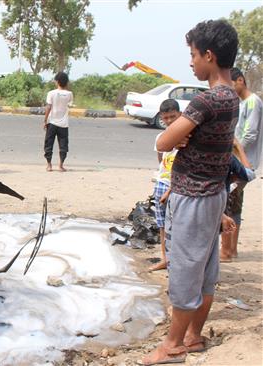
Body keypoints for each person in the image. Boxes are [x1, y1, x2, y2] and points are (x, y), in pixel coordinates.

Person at [143, 19, 240, 366]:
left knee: (185, 270)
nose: (191, 62)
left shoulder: (207, 101)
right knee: (206, 269)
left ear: (209, 56)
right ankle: (193, 335)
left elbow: (163, 140)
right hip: (214, 195)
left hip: (193, 198)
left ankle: (171, 346)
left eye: (193, 54)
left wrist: (176, 137)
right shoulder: (232, 98)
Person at [219, 67, 263, 261]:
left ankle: (227, 251)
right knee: (234, 204)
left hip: (243, 162)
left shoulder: (253, 102)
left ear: (240, 81)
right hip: (239, 160)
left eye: (231, 84)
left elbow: (250, 134)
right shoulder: (242, 102)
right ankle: (231, 249)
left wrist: (235, 150)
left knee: (229, 204)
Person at [148, 99, 181, 272]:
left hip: (179, 186)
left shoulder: (187, 136)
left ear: (180, 115)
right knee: (162, 224)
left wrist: (172, 187)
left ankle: (178, 262)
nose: (169, 121)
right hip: (162, 182)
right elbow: (161, 161)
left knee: (178, 224)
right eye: (166, 117)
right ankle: (165, 259)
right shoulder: (160, 137)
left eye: (173, 117)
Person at [43, 72, 73, 172]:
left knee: (48, 144)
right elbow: (69, 105)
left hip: (51, 122)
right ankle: (60, 165)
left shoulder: (51, 93)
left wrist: (44, 120)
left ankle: (49, 165)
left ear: (57, 82)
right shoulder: (70, 94)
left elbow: (48, 107)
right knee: (63, 145)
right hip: (64, 124)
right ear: (66, 82)